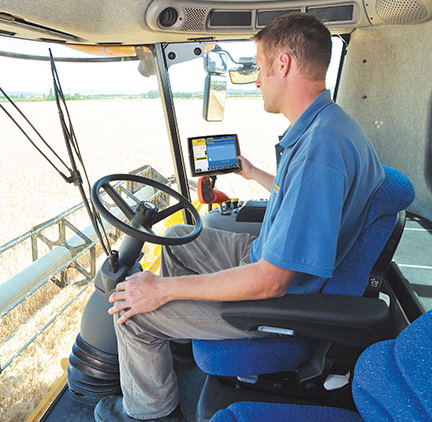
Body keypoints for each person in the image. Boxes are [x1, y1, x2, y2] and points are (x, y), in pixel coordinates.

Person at [94, 12, 384, 422]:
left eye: (261, 68)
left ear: (284, 64)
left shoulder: (321, 150)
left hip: (281, 299)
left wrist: (163, 292)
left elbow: (272, 281)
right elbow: (304, 204)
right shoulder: (328, 126)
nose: (258, 80)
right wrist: (252, 173)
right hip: (272, 258)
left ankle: (150, 411)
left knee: (133, 311)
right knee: (181, 236)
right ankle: (171, 342)